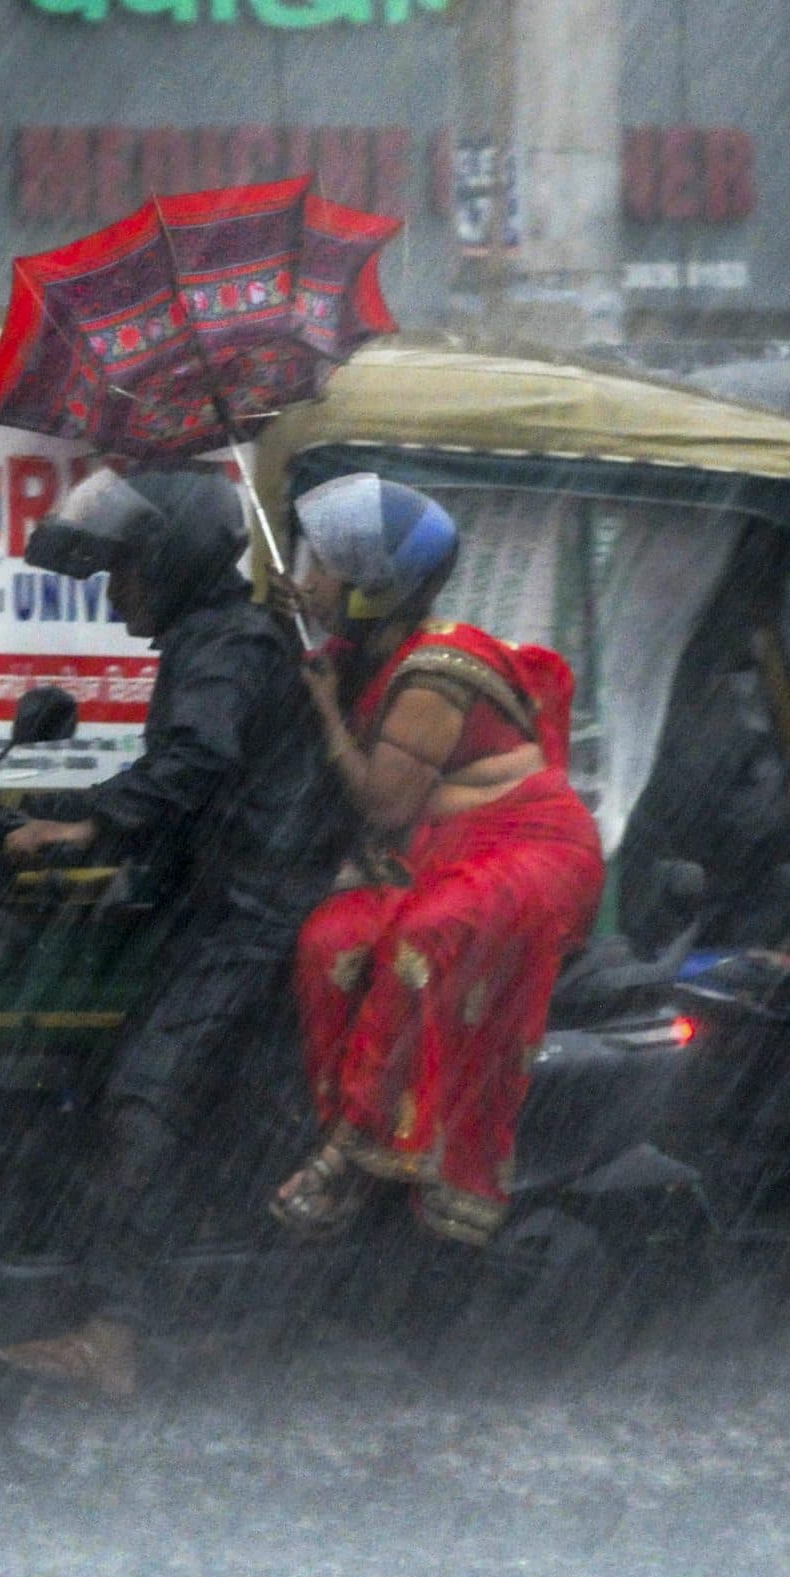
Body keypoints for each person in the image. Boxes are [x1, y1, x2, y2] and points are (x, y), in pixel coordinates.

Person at [0, 467, 344, 1399]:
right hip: (228, 899)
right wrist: (43, 804)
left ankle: (115, 1334)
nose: (111, 592)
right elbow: (187, 769)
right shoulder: (214, 636)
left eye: (124, 570)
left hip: (251, 914)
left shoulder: (223, 642)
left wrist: (92, 823)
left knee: (142, 1105)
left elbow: (199, 757)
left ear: (173, 563)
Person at [269, 473, 606, 1247]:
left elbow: (385, 806)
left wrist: (325, 707)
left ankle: (349, 1156)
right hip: (441, 854)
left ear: (373, 589)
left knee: (429, 935)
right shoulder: (369, 648)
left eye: (324, 568)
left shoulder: (431, 672)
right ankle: (375, 1141)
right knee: (332, 943)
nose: (308, 578)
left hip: (528, 850)